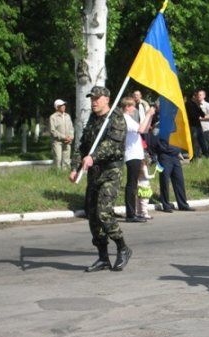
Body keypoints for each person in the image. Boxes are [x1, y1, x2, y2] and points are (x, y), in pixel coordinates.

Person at [69, 86, 131, 272]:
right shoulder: (93, 120)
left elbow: (112, 144)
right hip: (94, 173)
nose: (94, 101)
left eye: (97, 98)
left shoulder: (117, 118)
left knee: (104, 212)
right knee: (93, 215)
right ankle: (103, 257)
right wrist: (75, 167)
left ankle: (122, 247)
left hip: (111, 172)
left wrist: (93, 157)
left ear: (107, 99)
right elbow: (82, 145)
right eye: (92, 98)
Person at [122, 96, 155, 223]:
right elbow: (141, 128)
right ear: (127, 107)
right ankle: (130, 214)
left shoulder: (130, 119)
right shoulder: (126, 119)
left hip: (137, 155)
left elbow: (144, 129)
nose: (134, 109)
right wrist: (147, 115)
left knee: (134, 184)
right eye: (132, 106)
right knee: (131, 184)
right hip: (132, 155)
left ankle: (135, 211)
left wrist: (150, 116)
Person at [147, 134, 195, 213]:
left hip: (175, 157)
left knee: (179, 181)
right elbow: (152, 142)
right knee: (165, 181)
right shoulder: (159, 128)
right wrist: (157, 153)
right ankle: (166, 205)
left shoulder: (175, 127)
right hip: (164, 157)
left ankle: (183, 205)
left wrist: (179, 151)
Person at [49, 99, 74, 169]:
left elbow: (71, 127)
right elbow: (53, 131)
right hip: (57, 142)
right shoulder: (53, 117)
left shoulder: (67, 116)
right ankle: (57, 174)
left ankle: (65, 174)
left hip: (67, 141)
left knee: (66, 159)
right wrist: (64, 137)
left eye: (64, 105)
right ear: (57, 107)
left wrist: (71, 137)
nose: (64, 106)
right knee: (58, 159)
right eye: (61, 105)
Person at [186, 91, 207, 159]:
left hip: (197, 125)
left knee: (201, 140)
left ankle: (205, 154)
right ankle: (194, 156)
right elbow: (192, 115)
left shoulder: (196, 104)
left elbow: (203, 115)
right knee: (194, 141)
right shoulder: (188, 104)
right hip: (192, 125)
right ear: (193, 97)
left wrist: (198, 106)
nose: (198, 98)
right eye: (197, 96)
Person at [136, 155, 155, 220]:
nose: (150, 160)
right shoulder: (144, 167)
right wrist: (152, 176)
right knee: (145, 200)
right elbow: (146, 176)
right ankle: (145, 213)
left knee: (139, 200)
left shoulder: (139, 166)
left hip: (140, 185)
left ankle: (139, 212)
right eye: (149, 158)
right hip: (145, 186)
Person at [198, 89, 209, 157]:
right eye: (197, 95)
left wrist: (200, 118)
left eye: (200, 95)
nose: (198, 96)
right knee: (198, 143)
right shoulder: (196, 105)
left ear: (204, 96)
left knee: (207, 143)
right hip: (198, 128)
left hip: (205, 128)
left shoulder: (207, 105)